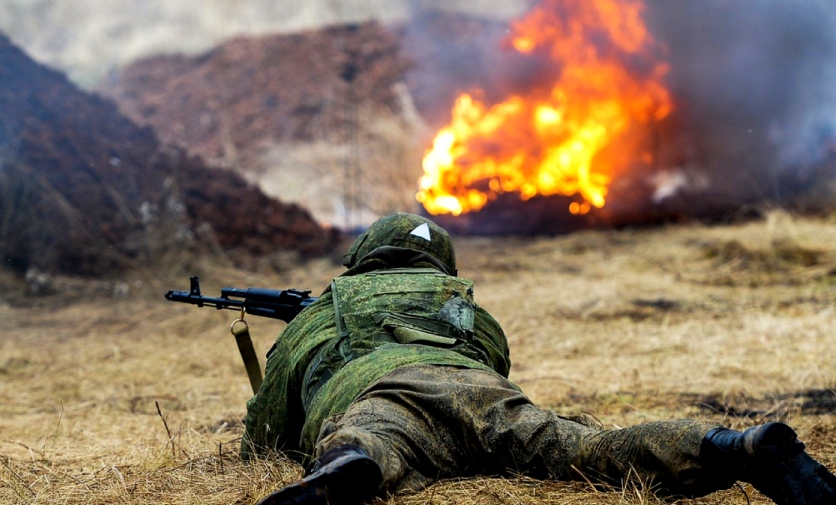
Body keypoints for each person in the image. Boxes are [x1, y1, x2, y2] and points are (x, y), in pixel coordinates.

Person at [241, 212, 835, 505]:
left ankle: (349, 468)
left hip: (386, 398)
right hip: (486, 398)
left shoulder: (326, 310)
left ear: (363, 258)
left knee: (369, 441)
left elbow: (267, 425)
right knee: (589, 449)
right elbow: (492, 361)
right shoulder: (467, 307)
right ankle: (731, 446)